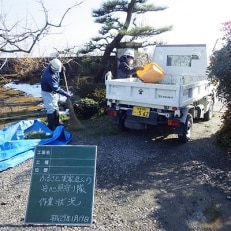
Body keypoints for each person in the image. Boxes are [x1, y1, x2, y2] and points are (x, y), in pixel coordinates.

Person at [41, 58, 72, 131]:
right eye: (56, 71)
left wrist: (62, 69)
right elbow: (56, 88)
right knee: (50, 108)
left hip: (53, 92)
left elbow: (58, 68)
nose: (56, 72)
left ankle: (57, 123)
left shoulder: (55, 66)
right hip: (47, 93)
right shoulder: (49, 76)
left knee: (55, 106)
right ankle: (51, 126)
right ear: (52, 68)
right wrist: (65, 93)